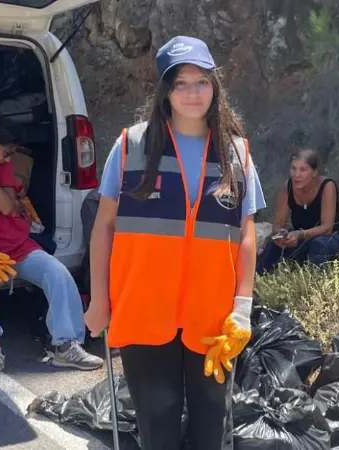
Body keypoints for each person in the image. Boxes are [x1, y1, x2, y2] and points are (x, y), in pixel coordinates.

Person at [84, 36, 266, 450]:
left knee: (208, 430)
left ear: (215, 87)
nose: (192, 92)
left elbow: (248, 237)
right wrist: (99, 301)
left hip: (212, 323)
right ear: (165, 91)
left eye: (201, 81)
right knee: (157, 428)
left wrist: (242, 310)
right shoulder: (131, 145)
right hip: (143, 313)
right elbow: (103, 227)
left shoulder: (237, 153)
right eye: (180, 83)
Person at [0, 114, 103, 384]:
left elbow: (7, 206)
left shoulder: (1, 168)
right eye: (5, 152)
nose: (8, 159)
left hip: (17, 246)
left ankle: (65, 346)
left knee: (58, 273)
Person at [256, 148, 339, 274]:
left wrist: (300, 234)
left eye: (303, 170)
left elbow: (327, 228)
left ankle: (313, 285)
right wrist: (281, 234)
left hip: (334, 237)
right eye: (293, 168)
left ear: (314, 172)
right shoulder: (288, 188)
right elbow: (278, 223)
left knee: (319, 244)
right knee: (275, 243)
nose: (297, 175)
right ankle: (258, 278)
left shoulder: (327, 186)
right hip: (304, 238)